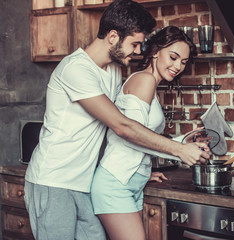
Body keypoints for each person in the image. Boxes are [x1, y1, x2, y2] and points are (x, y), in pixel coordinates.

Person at [24, 1, 209, 239]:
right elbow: (121, 126)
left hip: (85, 183)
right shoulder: (75, 69)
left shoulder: (112, 70)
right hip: (54, 181)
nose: (139, 51)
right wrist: (179, 150)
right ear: (113, 36)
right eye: (134, 44)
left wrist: (138, 170)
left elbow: (115, 129)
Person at [90, 26, 200, 240]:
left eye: (183, 62)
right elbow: (129, 134)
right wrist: (180, 151)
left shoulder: (147, 83)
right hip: (115, 185)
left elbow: (139, 133)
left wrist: (183, 142)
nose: (178, 66)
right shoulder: (144, 80)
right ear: (156, 51)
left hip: (128, 180)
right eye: (174, 57)